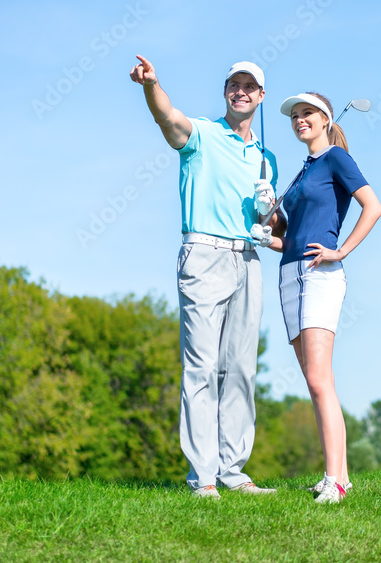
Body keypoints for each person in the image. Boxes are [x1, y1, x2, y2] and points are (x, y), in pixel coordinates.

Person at [129, 55, 279, 499]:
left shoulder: (266, 158)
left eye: (249, 86)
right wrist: (151, 85)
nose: (241, 92)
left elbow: (273, 230)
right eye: (234, 84)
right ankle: (204, 476)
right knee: (201, 368)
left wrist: (270, 213)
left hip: (249, 260)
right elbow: (167, 117)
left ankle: (233, 469)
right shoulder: (202, 134)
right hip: (204, 255)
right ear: (226, 91)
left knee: (241, 369)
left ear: (261, 96)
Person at [250, 92, 381, 504]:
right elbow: (288, 238)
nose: (299, 120)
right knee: (316, 382)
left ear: (325, 119)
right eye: (295, 115)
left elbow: (373, 207)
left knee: (318, 379)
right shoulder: (302, 171)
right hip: (289, 275)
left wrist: (340, 251)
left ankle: (336, 481)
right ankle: (339, 474)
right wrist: (265, 229)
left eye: (307, 113)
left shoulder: (336, 160)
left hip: (318, 274)